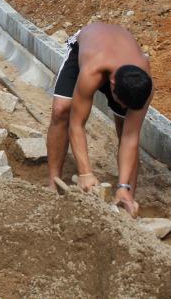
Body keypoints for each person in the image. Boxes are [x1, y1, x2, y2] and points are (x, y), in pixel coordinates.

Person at [47, 23, 153, 218]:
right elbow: (77, 124)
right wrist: (85, 173)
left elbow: (131, 137)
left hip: (120, 58)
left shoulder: (143, 79)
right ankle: (53, 183)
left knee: (124, 127)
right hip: (87, 46)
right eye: (120, 101)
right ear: (112, 84)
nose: (123, 107)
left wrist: (123, 186)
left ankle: (127, 198)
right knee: (61, 110)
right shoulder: (92, 70)